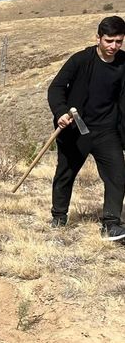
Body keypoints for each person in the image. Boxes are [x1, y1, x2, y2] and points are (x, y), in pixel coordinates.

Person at [47, 15, 125, 240]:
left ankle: (111, 223)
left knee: (117, 175)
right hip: (76, 128)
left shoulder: (123, 62)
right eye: (109, 41)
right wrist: (60, 111)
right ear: (98, 38)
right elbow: (56, 88)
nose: (113, 46)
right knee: (66, 173)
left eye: (118, 41)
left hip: (107, 130)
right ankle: (59, 216)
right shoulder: (80, 60)